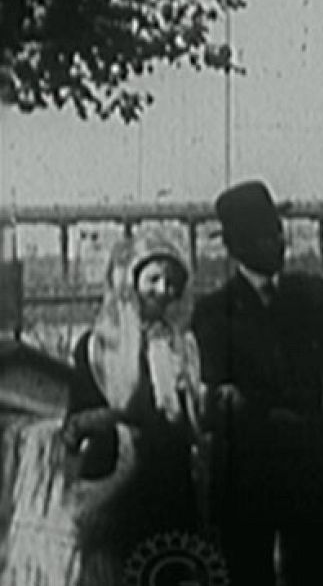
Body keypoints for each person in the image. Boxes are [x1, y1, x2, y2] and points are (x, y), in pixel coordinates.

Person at [191, 180, 323, 586]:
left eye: (277, 232)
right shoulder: (214, 314)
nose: (278, 243)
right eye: (264, 235)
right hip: (247, 480)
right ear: (236, 246)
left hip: (312, 475)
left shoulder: (315, 296)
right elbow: (222, 394)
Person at [60, 234, 206, 579]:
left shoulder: (183, 345)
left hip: (170, 484)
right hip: (115, 489)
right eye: (153, 279)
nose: (163, 290)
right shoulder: (97, 346)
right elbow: (77, 421)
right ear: (129, 283)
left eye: (172, 282)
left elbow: (193, 421)